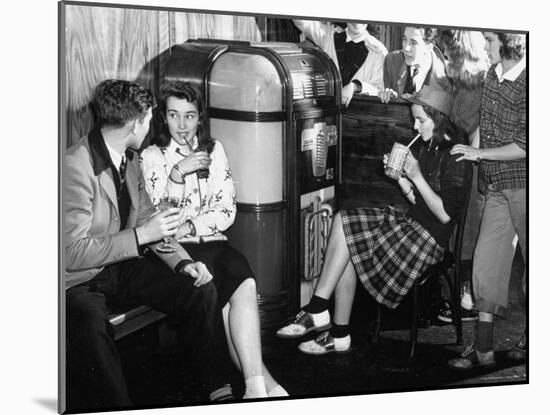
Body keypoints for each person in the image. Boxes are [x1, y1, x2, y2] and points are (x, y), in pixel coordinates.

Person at [64, 79, 236, 411]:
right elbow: (71, 253)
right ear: (133, 123)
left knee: (198, 288)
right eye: (149, 117)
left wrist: (183, 263)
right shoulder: (74, 167)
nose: (151, 124)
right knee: (90, 325)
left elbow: (149, 219)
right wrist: (141, 236)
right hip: (80, 280)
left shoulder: (129, 159)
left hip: (121, 267)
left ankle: (216, 389)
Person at [276, 83, 472, 354]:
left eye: (421, 120)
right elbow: (418, 201)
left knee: (345, 226)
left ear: (439, 121)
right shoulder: (429, 146)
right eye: (415, 119)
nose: (415, 127)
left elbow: (444, 214)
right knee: (346, 232)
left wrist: (415, 176)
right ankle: (338, 333)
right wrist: (401, 180)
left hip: (427, 243)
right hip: (412, 227)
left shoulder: (457, 156)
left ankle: (319, 310)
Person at [140, 80, 288, 398]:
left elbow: (226, 210)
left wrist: (192, 226)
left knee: (242, 277)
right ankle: (261, 386)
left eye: (190, 115)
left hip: (210, 240)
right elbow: (159, 222)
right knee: (226, 291)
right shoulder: (152, 157)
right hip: (175, 252)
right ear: (163, 118)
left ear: (200, 118)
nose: (182, 124)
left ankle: (255, 387)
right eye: (174, 115)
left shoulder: (213, 150)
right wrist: (177, 174)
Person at [448, 32, 526, 369]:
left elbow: (526, 145)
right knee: (485, 264)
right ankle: (481, 348)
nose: (483, 47)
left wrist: (479, 153)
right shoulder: (493, 75)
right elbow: (486, 126)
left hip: (526, 186)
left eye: (489, 40)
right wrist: (469, 153)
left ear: (509, 43)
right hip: (496, 185)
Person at [436, 30, 490, 323]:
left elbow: (482, 125)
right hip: (462, 159)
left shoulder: (480, 82)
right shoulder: (460, 82)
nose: (444, 58)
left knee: (469, 231)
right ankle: (460, 295)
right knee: (462, 231)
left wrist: (473, 151)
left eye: (447, 53)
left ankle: (465, 297)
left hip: (473, 165)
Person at [293, 19, 387, 106]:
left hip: (360, 116)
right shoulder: (328, 36)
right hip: (329, 114)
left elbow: (379, 90)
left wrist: (355, 86)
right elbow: (301, 21)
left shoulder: (379, 51)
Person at [379, 26, 451, 103]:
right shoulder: (392, 61)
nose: (406, 48)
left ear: (429, 47)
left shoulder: (448, 76)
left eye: (413, 43)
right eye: (404, 39)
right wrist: (391, 98)